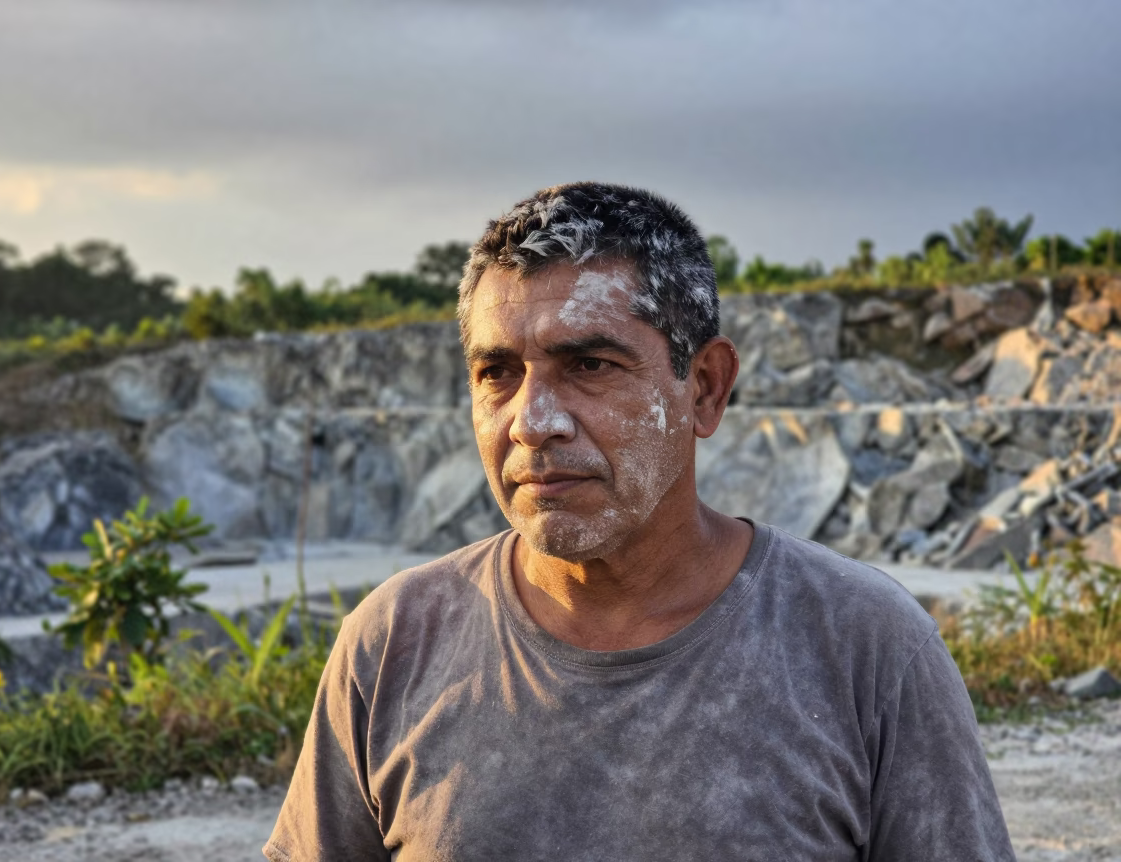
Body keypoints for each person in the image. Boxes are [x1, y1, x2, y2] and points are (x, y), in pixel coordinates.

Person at [264, 182, 1015, 861]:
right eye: (498, 373)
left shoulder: (865, 648)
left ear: (707, 389)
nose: (533, 421)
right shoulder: (395, 642)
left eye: (589, 365)